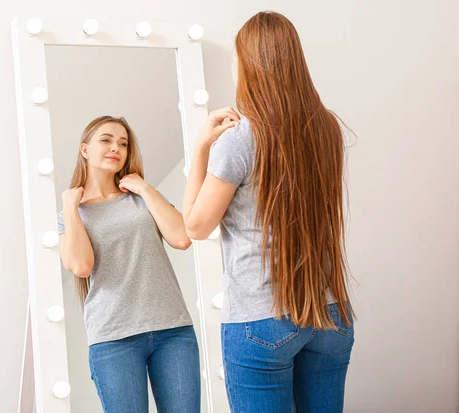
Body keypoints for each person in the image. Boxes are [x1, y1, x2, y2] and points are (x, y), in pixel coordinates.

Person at [183, 11, 355, 413]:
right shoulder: (326, 129)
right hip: (329, 311)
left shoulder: (239, 137)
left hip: (262, 320)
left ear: (249, 64)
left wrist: (201, 148)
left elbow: (195, 225)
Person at [58, 115, 201, 413]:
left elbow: (182, 238)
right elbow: (82, 266)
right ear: (85, 149)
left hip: (173, 331)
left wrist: (146, 189)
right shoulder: (71, 214)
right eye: (106, 140)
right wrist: (71, 208)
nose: (116, 148)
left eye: (123, 143)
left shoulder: (142, 197)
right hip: (113, 338)